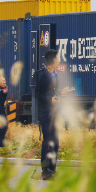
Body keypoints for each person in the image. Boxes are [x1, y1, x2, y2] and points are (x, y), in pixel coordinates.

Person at [36, 50, 60, 180]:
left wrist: (61, 94)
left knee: (55, 142)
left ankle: (52, 168)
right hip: (45, 114)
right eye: (57, 58)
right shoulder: (41, 75)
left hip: (54, 113)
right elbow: (36, 94)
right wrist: (48, 99)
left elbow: (55, 93)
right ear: (52, 60)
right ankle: (45, 171)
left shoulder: (56, 75)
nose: (59, 61)